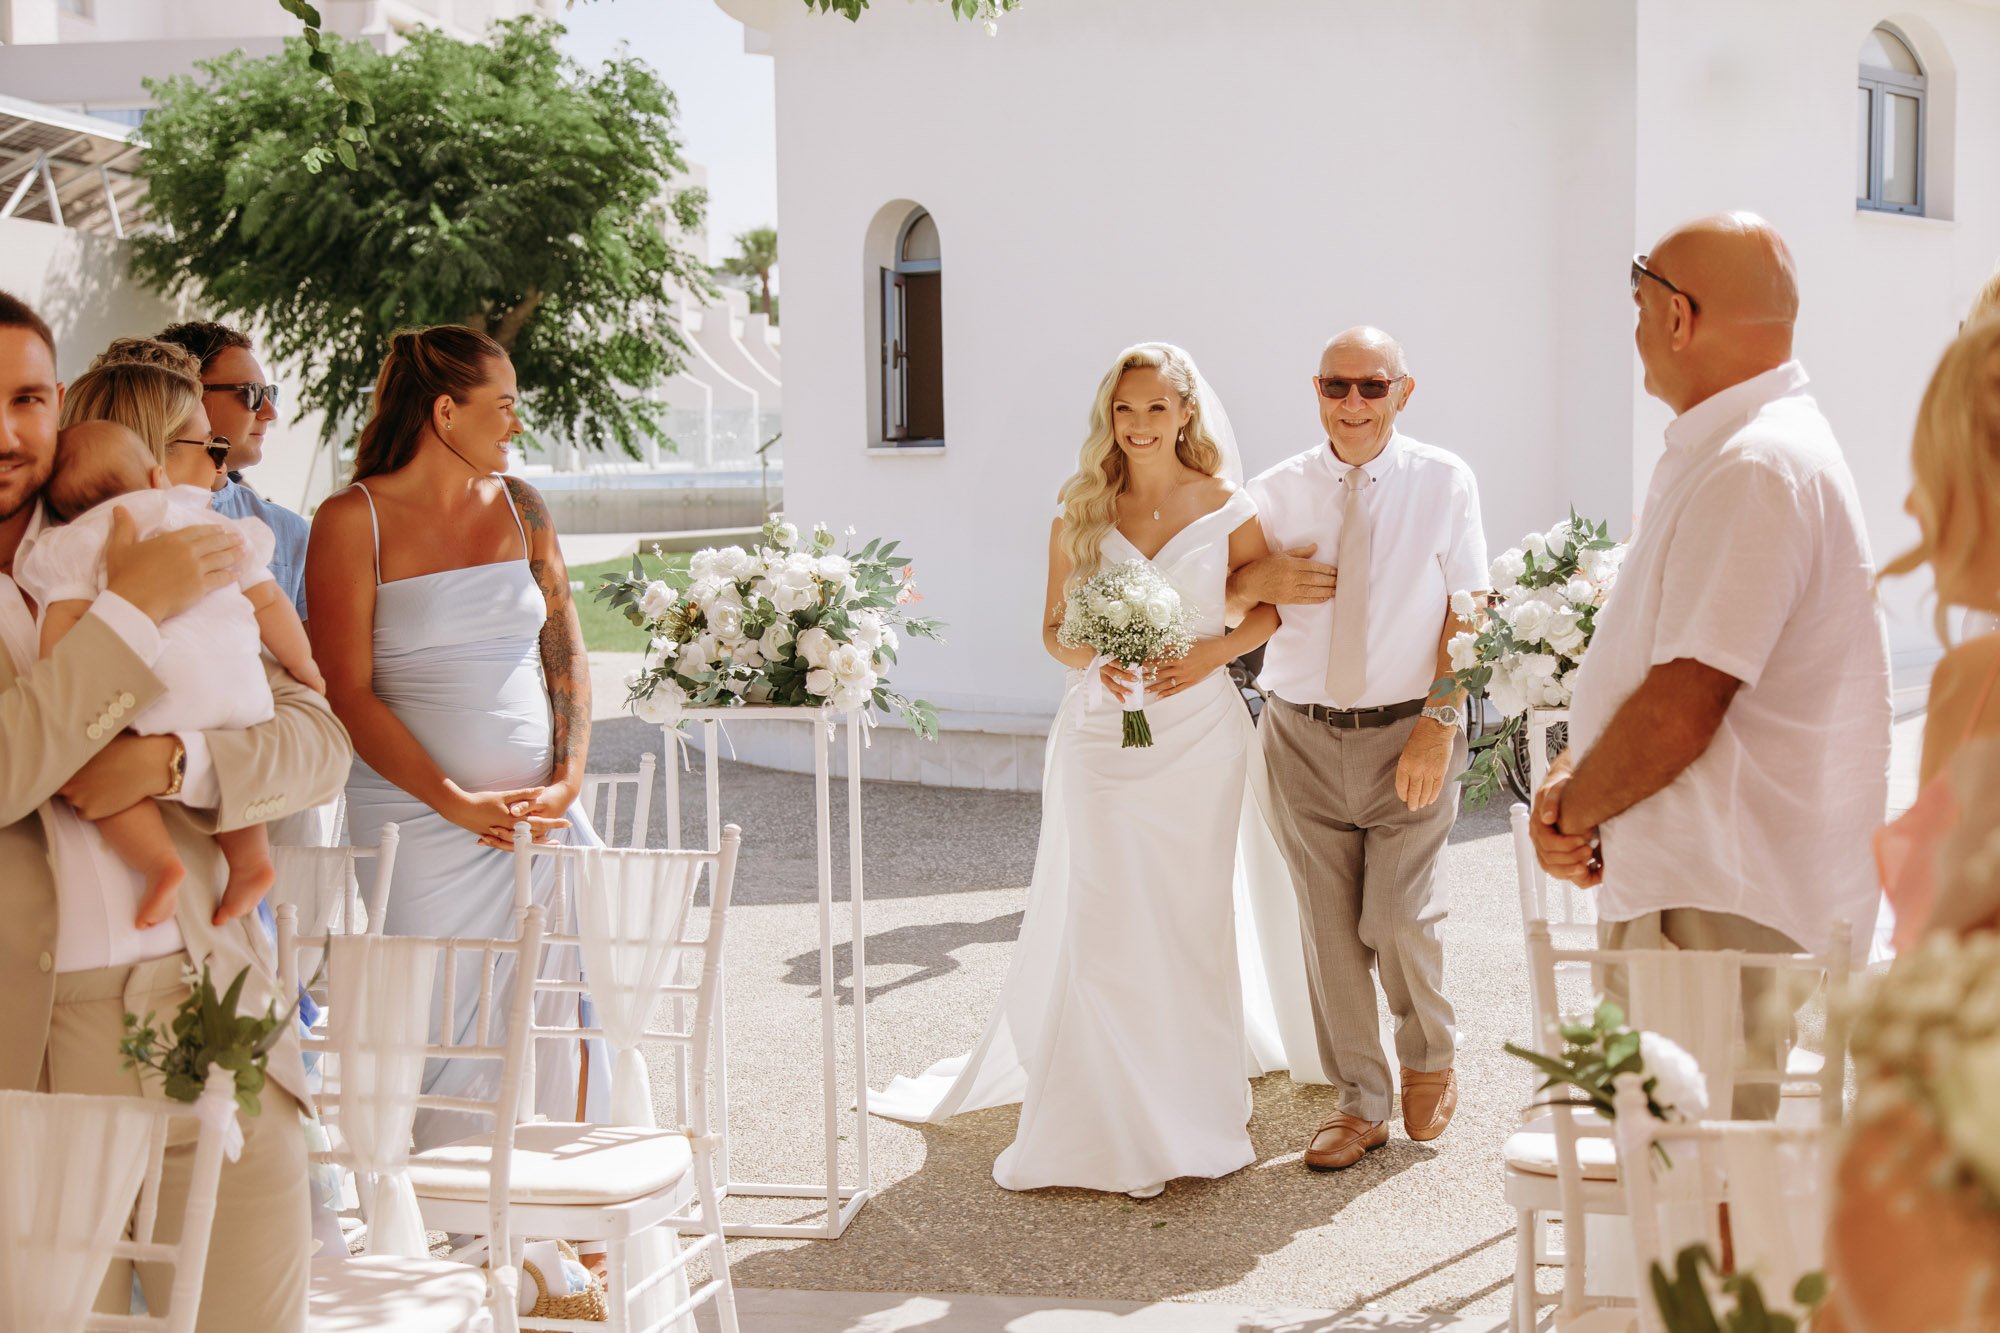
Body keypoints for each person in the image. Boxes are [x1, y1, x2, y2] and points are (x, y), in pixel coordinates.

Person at [871, 342, 1306, 1198]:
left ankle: (1190, 1095)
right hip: (1104, 736)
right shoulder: (1081, 508)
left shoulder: (1226, 504)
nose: (1139, 425)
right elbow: (1053, 630)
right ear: (1109, 419)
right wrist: (1094, 655)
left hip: (1201, 734)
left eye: (1154, 408)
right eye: (1124, 409)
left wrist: (1207, 653)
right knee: (1106, 911)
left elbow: (1268, 613)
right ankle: (1102, 1108)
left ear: (1186, 413)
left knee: (1189, 913)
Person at [0, 290, 350, 1332]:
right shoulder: (131, 568)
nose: (5, 429)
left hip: (215, 1000)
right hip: (37, 1051)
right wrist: (126, 609)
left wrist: (174, 763)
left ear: (58, 403)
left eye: (24, 397)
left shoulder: (143, 517)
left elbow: (317, 736)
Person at [1531, 212, 1892, 1117]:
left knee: (1694, 1187)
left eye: (1641, 306)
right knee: (1688, 1176)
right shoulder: (1749, 447)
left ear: (1680, 316)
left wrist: (1571, 806)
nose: (1639, 332)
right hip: (1710, 885)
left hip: (1713, 899)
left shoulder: (1755, 464)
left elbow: (1687, 699)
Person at [305, 324, 604, 1143]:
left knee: (559, 1003)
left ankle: (560, 1215)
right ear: (445, 411)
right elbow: (348, 693)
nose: (516, 424)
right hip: (416, 820)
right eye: (502, 407)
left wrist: (567, 780)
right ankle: (473, 1228)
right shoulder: (349, 520)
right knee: (444, 1018)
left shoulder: (524, 506)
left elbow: (564, 646)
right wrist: (453, 799)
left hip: (536, 817)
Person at [1229, 327, 1484, 1171]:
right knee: (1329, 932)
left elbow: (1470, 609)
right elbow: (1215, 591)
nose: (1352, 404)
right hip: (1299, 734)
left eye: (1371, 388)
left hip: (1409, 730)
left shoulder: (1445, 482)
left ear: (1402, 393)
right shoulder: (1273, 493)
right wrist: (1252, 582)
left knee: (1398, 915)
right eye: (1337, 387)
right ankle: (1360, 1103)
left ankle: (1431, 1051)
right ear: (1316, 391)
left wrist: (1437, 725)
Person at [18, 419, 322, 929]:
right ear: (158, 476)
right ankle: (251, 863)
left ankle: (161, 866)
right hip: (242, 686)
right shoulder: (199, 516)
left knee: (100, 770)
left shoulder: (73, 542)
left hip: (154, 687)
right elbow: (267, 599)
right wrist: (303, 664)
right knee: (235, 762)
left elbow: (63, 622)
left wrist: (62, 679)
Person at [1874, 318, 2000, 947]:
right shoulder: (1969, 678)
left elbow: (1925, 966)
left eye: (1931, 467)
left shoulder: (1975, 682)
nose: (1910, 506)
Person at [155, 321, 309, 622]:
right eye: (251, 393)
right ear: (186, 395)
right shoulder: (128, 512)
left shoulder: (290, 531)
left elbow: (310, 662)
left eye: (270, 394)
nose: (270, 412)